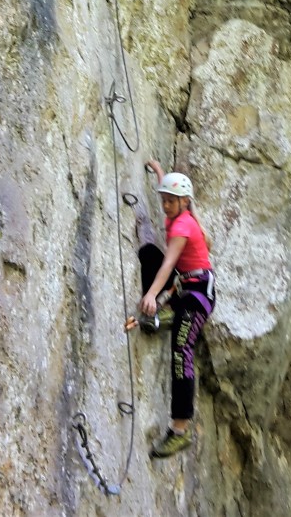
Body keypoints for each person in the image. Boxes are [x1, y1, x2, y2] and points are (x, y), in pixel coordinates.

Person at [128, 159, 215, 459]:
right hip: (185, 289)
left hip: (197, 295)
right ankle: (166, 315)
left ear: (183, 203)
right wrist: (159, 172)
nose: (164, 205)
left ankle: (181, 429)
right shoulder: (179, 211)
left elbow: (169, 265)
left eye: (169, 201)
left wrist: (152, 295)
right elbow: (171, 193)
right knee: (149, 253)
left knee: (181, 350)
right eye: (163, 200)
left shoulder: (183, 225)